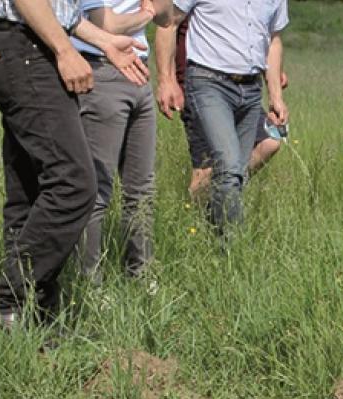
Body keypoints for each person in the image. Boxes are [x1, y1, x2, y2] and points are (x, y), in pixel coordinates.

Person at [0, 0, 154, 329]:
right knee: (74, 184)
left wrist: (102, 41)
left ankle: (34, 318)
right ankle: (5, 301)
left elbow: (56, 9)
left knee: (30, 192)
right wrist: (66, 51)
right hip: (27, 47)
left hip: (24, 44)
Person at [153, 0, 289, 239]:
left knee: (235, 170)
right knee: (228, 167)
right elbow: (169, 22)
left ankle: (208, 232)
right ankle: (234, 250)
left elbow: (273, 38)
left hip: (251, 88)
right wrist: (167, 80)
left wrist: (276, 94)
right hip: (208, 82)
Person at [72, 0, 172, 282]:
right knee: (97, 187)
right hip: (102, 70)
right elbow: (106, 23)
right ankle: (90, 282)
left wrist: (153, 12)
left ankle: (141, 274)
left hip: (139, 72)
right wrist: (146, 13)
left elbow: (167, 16)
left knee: (142, 188)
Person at [167, 15, 286, 201]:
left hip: (242, 84)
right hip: (200, 84)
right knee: (205, 168)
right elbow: (168, 25)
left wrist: (270, 69)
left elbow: (249, 28)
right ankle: (196, 214)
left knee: (270, 141)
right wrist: (169, 81)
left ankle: (224, 190)